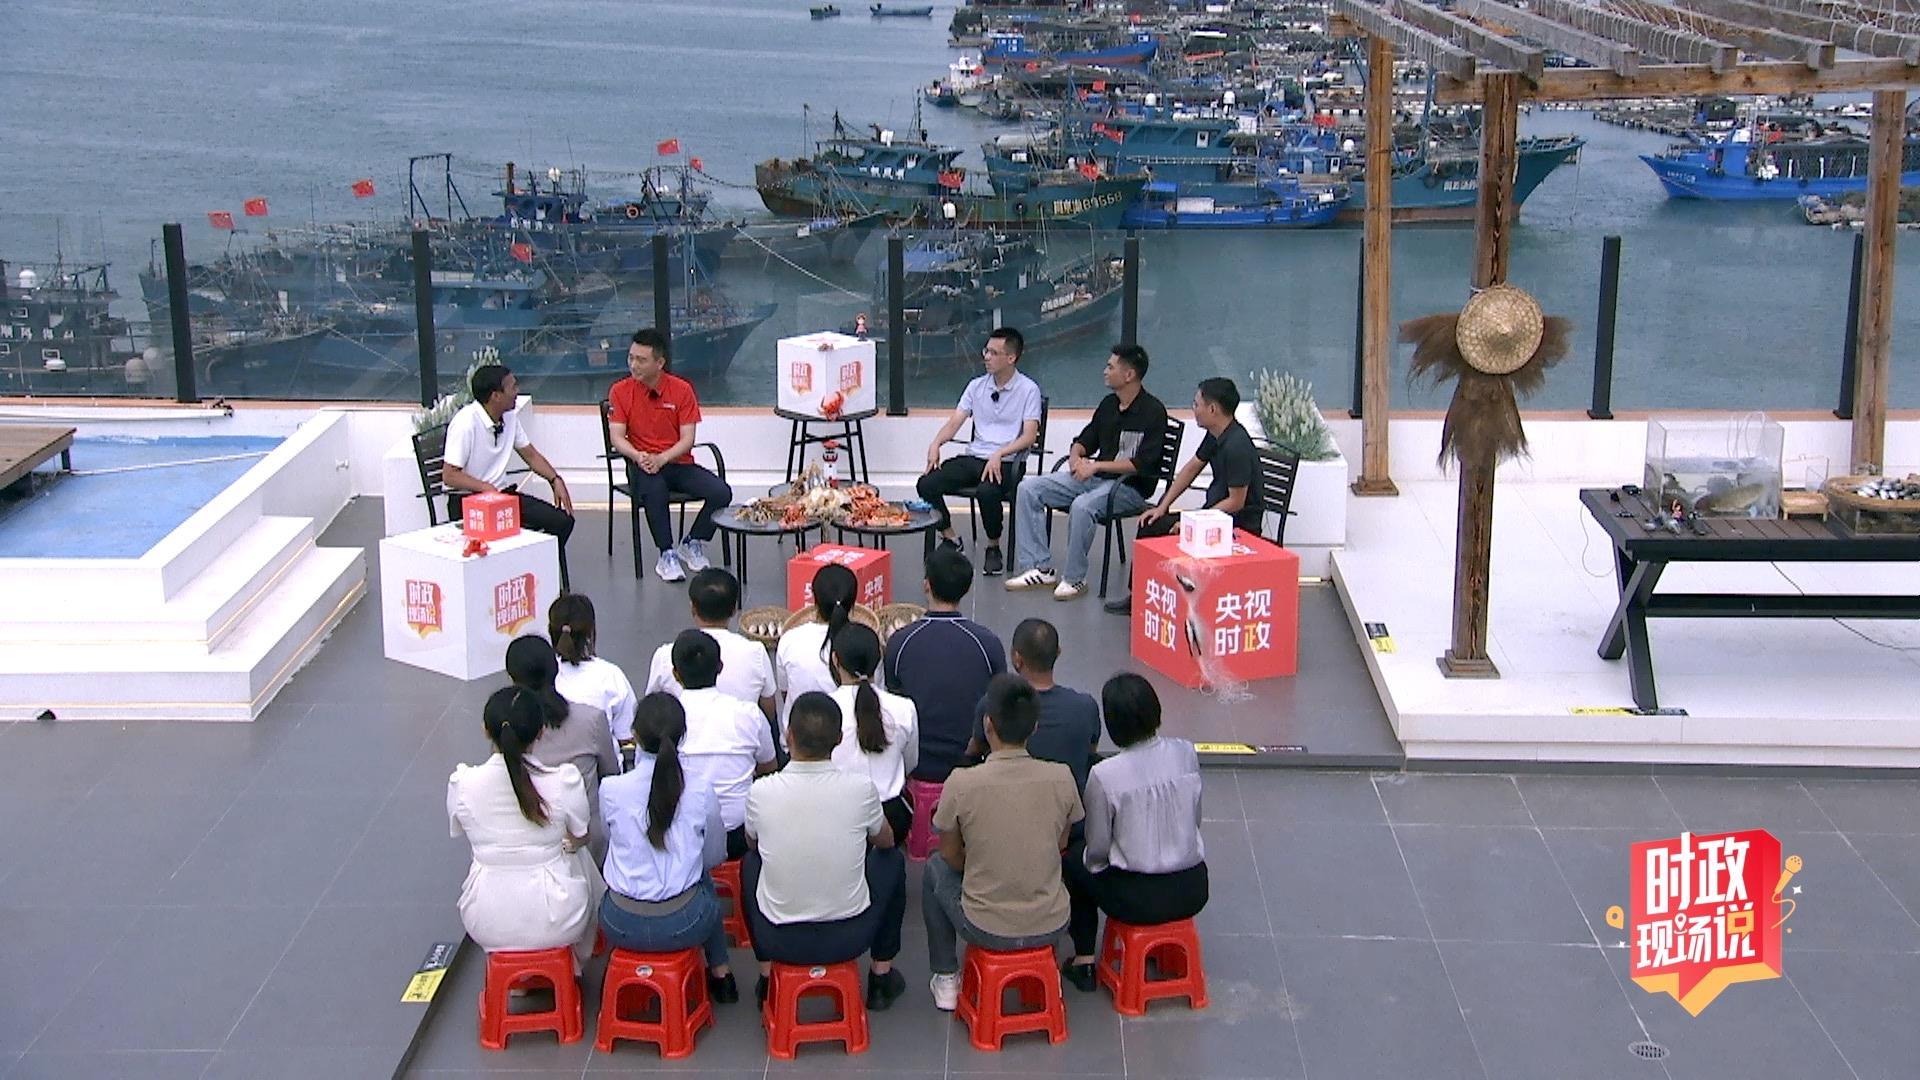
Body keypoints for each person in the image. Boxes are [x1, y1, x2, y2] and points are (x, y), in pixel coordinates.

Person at [923, 674, 1083, 1010]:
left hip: (985, 926)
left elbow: (949, 854)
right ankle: (1047, 973)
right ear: (1034, 727)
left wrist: (981, 862)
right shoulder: (1061, 776)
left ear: (988, 724)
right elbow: (1060, 844)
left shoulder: (961, 782)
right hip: (1052, 923)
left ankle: (946, 976)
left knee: (934, 867)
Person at [742, 691, 909, 1011]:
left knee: (750, 862)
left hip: (778, 938)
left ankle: (766, 977)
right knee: (892, 860)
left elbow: (752, 843)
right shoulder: (861, 789)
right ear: (838, 739)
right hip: (850, 936)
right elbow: (886, 841)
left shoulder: (761, 791)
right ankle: (881, 975)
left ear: (789, 737)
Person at [1061, 674, 1208, 991]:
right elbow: (1194, 819)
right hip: (1193, 887)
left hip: (1136, 898)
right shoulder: (1186, 752)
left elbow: (1097, 850)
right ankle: (1164, 949)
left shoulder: (1104, 775)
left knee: (1074, 859)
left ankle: (1084, 959)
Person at [598, 693, 740, 1003]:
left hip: (620, 923)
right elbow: (716, 854)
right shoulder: (700, 789)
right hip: (684, 923)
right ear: (682, 736)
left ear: (634, 735)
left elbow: (609, 842)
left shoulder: (611, 789)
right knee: (701, 877)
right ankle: (721, 973)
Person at [449, 687, 602, 967]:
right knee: (576, 851)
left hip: (485, 920)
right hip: (557, 919)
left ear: (485, 730)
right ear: (541, 731)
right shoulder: (563, 781)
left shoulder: (463, 783)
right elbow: (581, 836)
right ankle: (579, 959)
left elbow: (461, 827)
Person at [1006, 344, 1168, 601]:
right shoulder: (1108, 405)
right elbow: (1084, 441)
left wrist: (1097, 466)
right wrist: (1075, 459)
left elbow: (1143, 464)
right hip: (1094, 479)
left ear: (1129, 375)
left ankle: (1075, 579)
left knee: (1082, 506)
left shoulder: (1153, 412)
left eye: (1110, 367)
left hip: (1129, 488)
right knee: (1029, 489)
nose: (1105, 371)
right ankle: (1040, 567)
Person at [1105, 377, 1266, 615]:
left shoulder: (1236, 446)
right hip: (1214, 516)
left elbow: (1236, 502)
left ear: (1213, 409)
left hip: (1237, 524)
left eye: (1196, 404)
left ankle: (1175, 605)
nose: (1194, 409)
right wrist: (1163, 506)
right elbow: (1191, 468)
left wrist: (1194, 523)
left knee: (1170, 532)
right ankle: (1139, 595)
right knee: (1151, 523)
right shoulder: (1215, 435)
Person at [607, 327, 733, 583]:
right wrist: (638, 455)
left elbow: (688, 439)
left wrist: (662, 458)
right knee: (655, 490)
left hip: (676, 462)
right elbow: (617, 437)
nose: (633, 365)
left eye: (641, 360)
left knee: (721, 492)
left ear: (660, 363)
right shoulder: (619, 391)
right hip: (642, 464)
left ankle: (693, 541)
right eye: (631, 358)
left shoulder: (682, 390)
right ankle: (666, 553)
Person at [916, 327, 1042, 576]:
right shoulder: (976, 386)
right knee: (927, 483)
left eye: (993, 353)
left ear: (1011, 357)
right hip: (976, 456)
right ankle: (950, 537)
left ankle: (993, 546)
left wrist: (1000, 453)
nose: (986, 357)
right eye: (986, 351)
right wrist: (936, 443)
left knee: (987, 491)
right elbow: (955, 422)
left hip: (1008, 461)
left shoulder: (1029, 390)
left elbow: (1029, 436)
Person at [442, 363, 575, 592]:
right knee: (503, 542)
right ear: (495, 396)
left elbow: (531, 455)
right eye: (512, 387)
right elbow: (450, 475)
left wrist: (555, 479)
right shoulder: (465, 423)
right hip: (468, 502)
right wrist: (484, 487)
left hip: (502, 498)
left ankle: (535, 575)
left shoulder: (510, 417)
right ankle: (515, 579)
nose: (517, 392)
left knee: (562, 521)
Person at [883, 548, 1006, 785]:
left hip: (916, 766)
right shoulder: (987, 644)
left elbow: (893, 701)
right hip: (970, 766)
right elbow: (998, 704)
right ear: (966, 589)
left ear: (926, 585)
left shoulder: (900, 642)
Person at [508, 635, 622, 858]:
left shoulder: (508, 730)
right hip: (587, 846)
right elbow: (611, 775)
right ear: (555, 670)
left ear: (512, 679)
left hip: (528, 845)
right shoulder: (592, 719)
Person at [671, 629, 777, 859]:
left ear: (675, 674)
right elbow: (769, 768)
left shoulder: (666, 718)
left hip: (682, 833)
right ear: (720, 667)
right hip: (739, 834)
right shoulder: (749, 713)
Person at [963, 619, 1099, 796]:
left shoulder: (993, 704)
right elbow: (1091, 753)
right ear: (1058, 652)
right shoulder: (1086, 707)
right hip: (1067, 810)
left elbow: (974, 752)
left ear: (1016, 658)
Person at [644, 568, 778, 727]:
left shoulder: (664, 655)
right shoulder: (755, 652)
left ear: (693, 608)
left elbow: (652, 709)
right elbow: (769, 711)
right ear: (734, 609)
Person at [828, 623, 919, 844]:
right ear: (879, 658)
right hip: (893, 816)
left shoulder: (824, 710)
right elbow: (911, 763)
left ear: (835, 660)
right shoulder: (904, 707)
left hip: (839, 818)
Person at [776, 563, 858, 741]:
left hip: (799, 741)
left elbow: (785, 691)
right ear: (853, 603)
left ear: (814, 600)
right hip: (849, 740)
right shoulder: (863, 642)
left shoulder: (790, 640)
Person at [549, 594, 639, 754]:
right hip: (600, 767)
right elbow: (627, 737)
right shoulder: (610, 675)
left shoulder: (542, 674)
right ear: (591, 632)